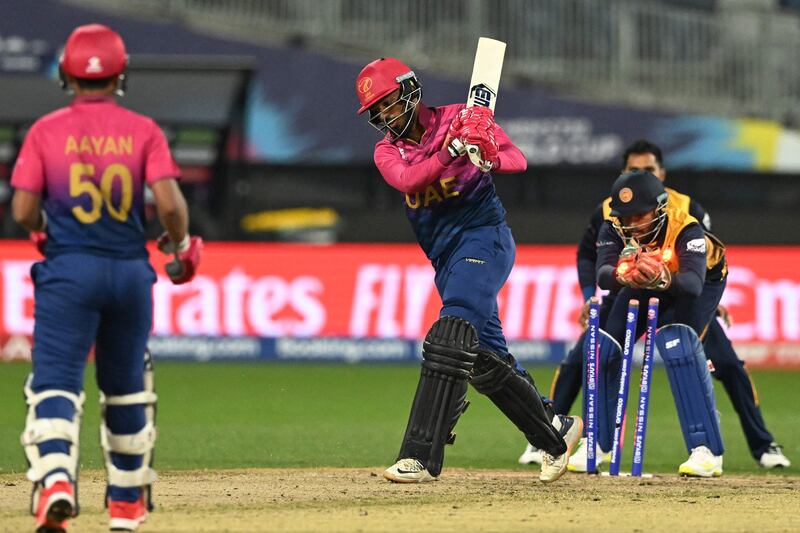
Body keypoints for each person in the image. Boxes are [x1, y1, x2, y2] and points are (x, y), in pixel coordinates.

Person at [11, 24, 202, 533]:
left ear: (65, 74)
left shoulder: (45, 131)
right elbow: (169, 205)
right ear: (120, 73)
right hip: (128, 273)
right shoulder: (143, 130)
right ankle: (124, 506)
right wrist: (180, 246)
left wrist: (43, 230)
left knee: (55, 383)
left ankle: (54, 480)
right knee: (125, 389)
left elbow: (23, 207)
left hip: (69, 270)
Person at [355, 57, 582, 484]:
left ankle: (420, 455)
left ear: (411, 91)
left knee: (450, 335)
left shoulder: (464, 117)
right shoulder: (387, 150)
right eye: (378, 111)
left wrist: (488, 155)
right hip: (445, 259)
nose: (385, 116)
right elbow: (409, 181)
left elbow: (519, 160)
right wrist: (451, 151)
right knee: (481, 358)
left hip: (484, 239)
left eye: (389, 104)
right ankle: (555, 430)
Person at [519, 140, 790, 471]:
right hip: (642, 283)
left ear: (660, 207)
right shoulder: (612, 223)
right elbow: (604, 273)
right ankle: (598, 442)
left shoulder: (686, 226)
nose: (631, 225)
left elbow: (691, 284)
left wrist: (662, 279)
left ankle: (706, 450)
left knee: (679, 345)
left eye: (640, 216)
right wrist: (625, 274)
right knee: (602, 345)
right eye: (625, 217)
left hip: (697, 285)